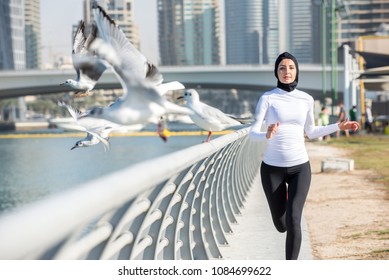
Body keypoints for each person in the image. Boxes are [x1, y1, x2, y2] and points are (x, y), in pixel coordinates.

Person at [248, 52, 360, 260]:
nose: (287, 71)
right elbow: (252, 133)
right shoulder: (268, 98)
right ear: (276, 72)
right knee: (281, 225)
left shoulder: (306, 99)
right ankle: (285, 204)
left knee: (294, 219)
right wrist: (267, 134)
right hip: (272, 169)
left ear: (296, 70)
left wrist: (338, 126)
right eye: (282, 68)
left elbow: (311, 131)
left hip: (300, 166)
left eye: (291, 67)